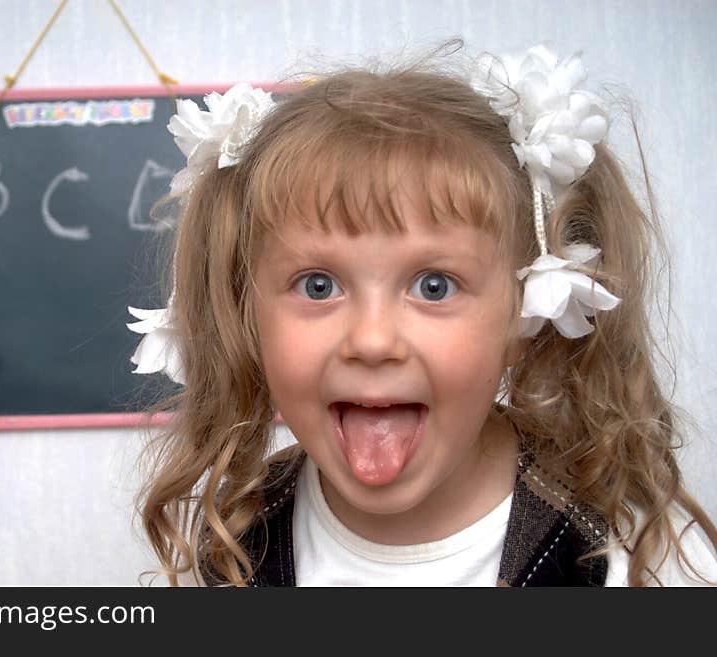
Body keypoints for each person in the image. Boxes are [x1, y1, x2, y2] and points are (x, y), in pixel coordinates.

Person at [128, 41, 717, 586]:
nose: (373, 340)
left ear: (530, 313)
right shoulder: (237, 540)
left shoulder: (630, 555)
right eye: (317, 285)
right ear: (244, 313)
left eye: (434, 286)